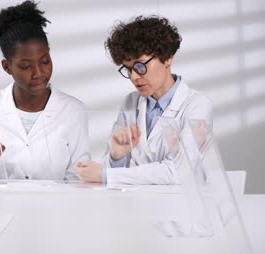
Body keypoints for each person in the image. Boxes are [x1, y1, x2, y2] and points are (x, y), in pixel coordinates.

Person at [0, 0, 90, 181]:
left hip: (53, 208)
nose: (39, 73)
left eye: (45, 61)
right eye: (26, 66)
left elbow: (79, 177)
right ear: (7, 67)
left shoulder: (72, 110)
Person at [76, 15, 212, 185]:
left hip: (183, 206)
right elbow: (116, 178)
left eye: (140, 66)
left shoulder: (197, 104)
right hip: (141, 204)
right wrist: (117, 156)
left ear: (168, 57)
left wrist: (105, 176)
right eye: (128, 69)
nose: (134, 77)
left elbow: (179, 171)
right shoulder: (131, 102)